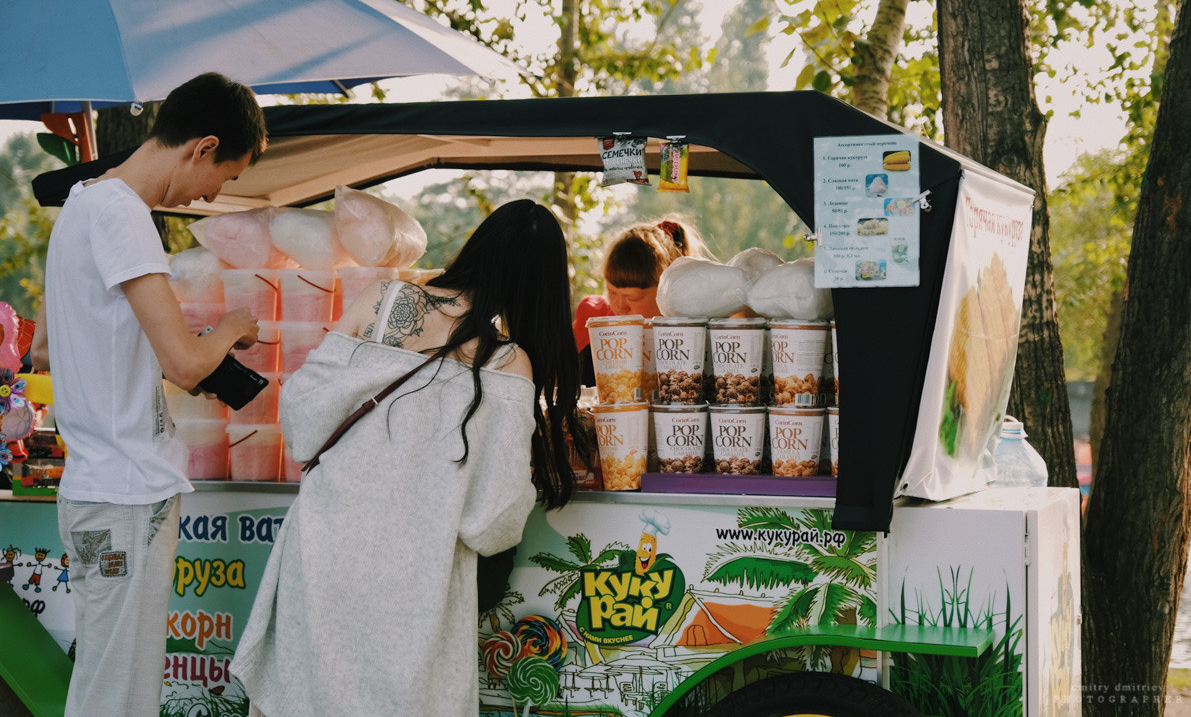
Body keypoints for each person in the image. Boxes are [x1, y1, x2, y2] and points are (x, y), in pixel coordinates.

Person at [231, 198, 581, 717]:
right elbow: (493, 523)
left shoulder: (381, 300)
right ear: (540, 288)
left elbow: (302, 424)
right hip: (413, 586)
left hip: (321, 553)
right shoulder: (508, 363)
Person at [30, 72, 267, 717]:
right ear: (202, 146)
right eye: (225, 176)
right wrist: (230, 330)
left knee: (107, 681)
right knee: (120, 694)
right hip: (130, 493)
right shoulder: (127, 215)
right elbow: (188, 366)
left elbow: (49, 349)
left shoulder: (81, 203)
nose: (213, 194)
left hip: (92, 490)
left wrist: (166, 346)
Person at [573, 216, 711, 385]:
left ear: (667, 291)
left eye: (632, 298)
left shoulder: (690, 332)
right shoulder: (593, 319)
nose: (619, 306)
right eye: (611, 292)